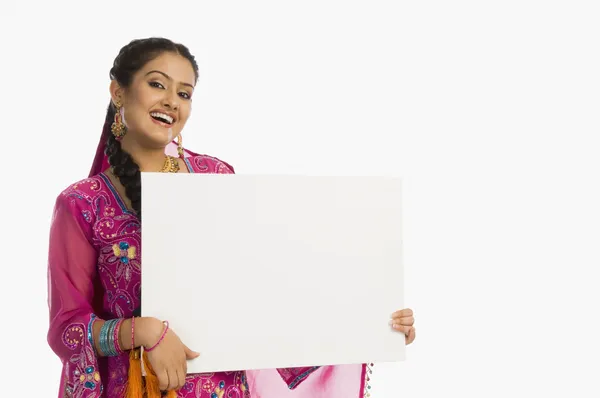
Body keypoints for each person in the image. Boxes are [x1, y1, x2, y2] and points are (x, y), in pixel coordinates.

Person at [46, 37, 416, 398]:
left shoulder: (215, 177)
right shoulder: (82, 203)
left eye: (184, 93)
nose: (171, 102)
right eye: (157, 84)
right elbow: (66, 328)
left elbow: (267, 282)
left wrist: (373, 320)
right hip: (135, 388)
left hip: (223, 388)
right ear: (118, 92)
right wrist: (140, 332)